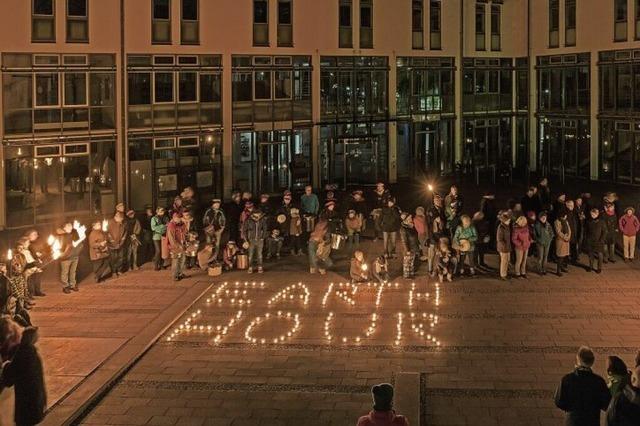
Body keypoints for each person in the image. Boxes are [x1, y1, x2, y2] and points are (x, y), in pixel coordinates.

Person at [0, 316, 47, 426]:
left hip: (27, 408)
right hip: (34, 404)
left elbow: (8, 379)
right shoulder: (27, 348)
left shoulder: (22, 354)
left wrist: (5, 366)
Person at [554, 346, 611, 426]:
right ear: (592, 362)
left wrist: (571, 408)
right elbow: (606, 404)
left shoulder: (568, 379)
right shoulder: (598, 381)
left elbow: (559, 401)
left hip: (572, 421)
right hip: (591, 421)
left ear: (578, 360)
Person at [58, 222, 83, 293]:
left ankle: (73, 285)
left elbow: (80, 243)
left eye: (71, 226)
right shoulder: (61, 236)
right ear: (64, 228)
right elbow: (60, 247)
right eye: (68, 226)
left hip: (75, 256)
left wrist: (78, 251)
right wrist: (64, 255)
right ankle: (65, 286)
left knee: (73, 272)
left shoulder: (74, 234)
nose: (70, 227)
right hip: (66, 258)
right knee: (65, 273)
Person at [242, 208, 268, 274]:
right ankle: (250, 267)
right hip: (251, 240)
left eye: (259, 214)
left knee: (259, 254)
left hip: (260, 240)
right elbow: (244, 230)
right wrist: (246, 240)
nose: (258, 215)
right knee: (250, 255)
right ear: (253, 214)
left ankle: (260, 267)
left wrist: (263, 237)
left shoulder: (262, 220)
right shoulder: (248, 220)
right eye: (256, 214)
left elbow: (265, 229)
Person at [166, 213, 187, 281]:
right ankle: (175, 275)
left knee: (182, 259)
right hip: (175, 247)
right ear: (174, 218)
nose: (179, 219)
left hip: (182, 244)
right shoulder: (171, 226)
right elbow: (171, 238)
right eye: (178, 218)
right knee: (176, 260)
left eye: (180, 218)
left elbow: (185, 233)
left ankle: (180, 273)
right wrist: (177, 246)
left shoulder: (182, 224)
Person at [585, 208, 606, 274]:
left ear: (597, 214)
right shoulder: (588, 221)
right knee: (591, 254)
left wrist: (601, 239)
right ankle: (590, 266)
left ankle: (599, 268)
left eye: (594, 214)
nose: (592, 215)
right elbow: (586, 230)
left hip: (599, 241)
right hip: (590, 240)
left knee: (600, 255)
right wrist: (587, 239)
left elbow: (604, 231)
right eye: (591, 214)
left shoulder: (601, 222)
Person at [107, 212, 128, 276]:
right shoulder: (110, 223)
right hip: (112, 245)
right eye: (121, 218)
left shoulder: (123, 224)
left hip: (120, 244)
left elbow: (125, 232)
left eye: (122, 219)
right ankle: (113, 272)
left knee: (120, 257)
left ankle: (119, 270)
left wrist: (122, 241)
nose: (122, 220)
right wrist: (112, 241)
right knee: (113, 258)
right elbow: (107, 233)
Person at [554, 210, 572, 277]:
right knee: (560, 256)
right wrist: (565, 237)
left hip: (566, 241)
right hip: (560, 241)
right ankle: (558, 270)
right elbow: (558, 232)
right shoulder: (557, 222)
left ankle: (562, 267)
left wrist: (569, 236)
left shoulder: (566, 221)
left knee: (564, 255)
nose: (565, 216)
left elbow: (569, 229)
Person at [496, 212, 512, 281]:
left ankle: (505, 272)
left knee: (507, 261)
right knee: (504, 262)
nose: (509, 221)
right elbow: (499, 239)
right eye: (508, 220)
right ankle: (503, 275)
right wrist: (505, 245)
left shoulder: (506, 226)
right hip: (503, 248)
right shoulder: (501, 227)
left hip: (507, 247)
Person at [565, 200, 580, 265]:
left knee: (573, 247)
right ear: (567, 206)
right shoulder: (565, 213)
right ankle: (566, 261)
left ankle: (574, 259)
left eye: (573, 205)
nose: (572, 207)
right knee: (567, 248)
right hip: (568, 233)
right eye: (570, 205)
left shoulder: (575, 213)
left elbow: (578, 223)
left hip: (574, 233)